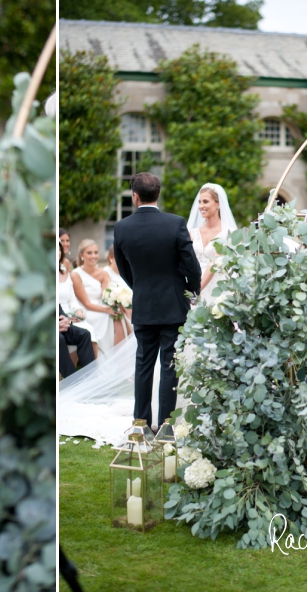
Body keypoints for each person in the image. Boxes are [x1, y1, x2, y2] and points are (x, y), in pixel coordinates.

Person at [113, 172, 201, 429]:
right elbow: (191, 267)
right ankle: (165, 426)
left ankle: (140, 424)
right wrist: (189, 291)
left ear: (135, 196)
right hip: (174, 305)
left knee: (143, 364)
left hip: (143, 304)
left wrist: (139, 287)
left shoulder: (122, 227)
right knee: (169, 366)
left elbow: (124, 269)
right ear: (158, 194)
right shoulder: (175, 223)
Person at [186, 183, 237, 304]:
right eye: (199, 202)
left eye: (205, 201)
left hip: (217, 290)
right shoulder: (192, 233)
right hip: (194, 286)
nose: (201, 206)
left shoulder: (229, 233)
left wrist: (196, 291)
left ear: (218, 204)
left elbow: (214, 264)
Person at [71, 239, 117, 353]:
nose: (93, 256)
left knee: (117, 317)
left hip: (102, 306)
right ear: (82, 255)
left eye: (96, 252)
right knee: (104, 316)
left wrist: (116, 300)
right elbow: (86, 303)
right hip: (86, 309)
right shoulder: (76, 274)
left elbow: (106, 296)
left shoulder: (103, 273)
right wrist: (108, 310)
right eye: (89, 253)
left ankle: (115, 355)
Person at [58, 241, 98, 358]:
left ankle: (94, 372)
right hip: (61, 316)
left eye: (60, 250)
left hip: (71, 313)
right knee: (79, 335)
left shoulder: (64, 270)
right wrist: (66, 318)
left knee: (89, 331)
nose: (59, 253)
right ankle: (75, 374)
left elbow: (72, 298)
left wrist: (78, 310)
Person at [59, 310, 95, 379]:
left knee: (84, 334)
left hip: (59, 323)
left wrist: (66, 319)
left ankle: (92, 378)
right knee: (60, 339)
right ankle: (73, 381)